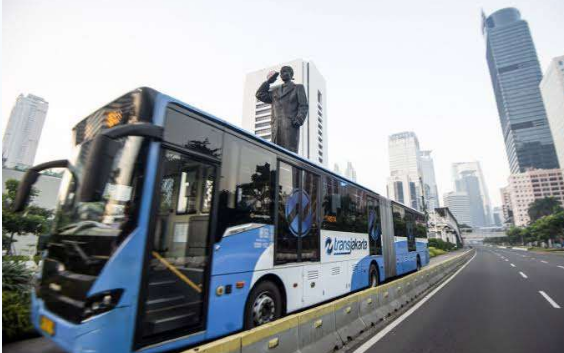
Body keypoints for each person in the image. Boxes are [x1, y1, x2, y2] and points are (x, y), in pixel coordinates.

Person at [255, 65, 308, 153]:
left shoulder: (298, 88)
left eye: (285, 71)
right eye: (281, 72)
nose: (282, 74)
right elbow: (259, 94)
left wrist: (299, 119)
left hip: (290, 126)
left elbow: (304, 106)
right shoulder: (275, 91)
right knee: (275, 154)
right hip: (276, 127)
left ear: (291, 74)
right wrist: (268, 82)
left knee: (289, 154)